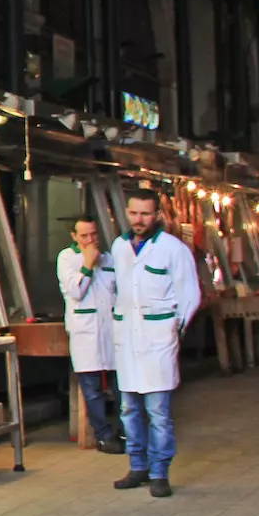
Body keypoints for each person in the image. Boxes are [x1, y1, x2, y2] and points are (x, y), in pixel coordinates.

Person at [110, 189, 199, 498]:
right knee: (128, 409)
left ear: (157, 215)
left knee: (158, 412)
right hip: (127, 341)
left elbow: (190, 295)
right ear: (127, 212)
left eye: (145, 214)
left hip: (158, 340)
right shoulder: (119, 247)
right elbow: (116, 289)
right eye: (134, 213)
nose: (139, 220)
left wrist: (175, 329)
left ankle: (160, 472)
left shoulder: (173, 249)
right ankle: (138, 467)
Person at [57, 216, 125, 455]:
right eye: (84, 235)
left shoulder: (109, 259)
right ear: (74, 237)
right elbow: (75, 290)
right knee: (92, 387)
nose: (90, 240)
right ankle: (104, 435)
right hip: (85, 332)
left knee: (121, 385)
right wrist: (87, 265)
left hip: (111, 330)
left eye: (93, 234)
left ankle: (126, 431)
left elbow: (119, 291)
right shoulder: (66, 258)